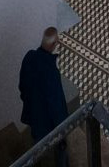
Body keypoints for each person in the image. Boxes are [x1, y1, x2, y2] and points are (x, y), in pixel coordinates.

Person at [19, 27, 69, 166]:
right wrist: (63, 124)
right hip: (49, 121)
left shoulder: (29, 57)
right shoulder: (51, 71)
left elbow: (22, 86)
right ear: (53, 45)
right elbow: (55, 103)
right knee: (61, 149)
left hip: (34, 116)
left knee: (37, 147)